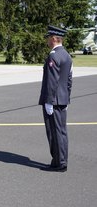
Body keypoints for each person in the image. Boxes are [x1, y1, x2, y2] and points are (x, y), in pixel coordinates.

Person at [39, 25, 72, 172]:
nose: (47, 40)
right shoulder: (66, 55)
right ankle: (58, 160)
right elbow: (69, 80)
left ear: (53, 38)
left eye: (48, 38)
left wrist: (49, 101)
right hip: (62, 99)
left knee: (54, 132)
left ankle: (60, 163)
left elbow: (52, 81)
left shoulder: (53, 56)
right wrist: (67, 99)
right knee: (61, 131)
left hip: (53, 100)